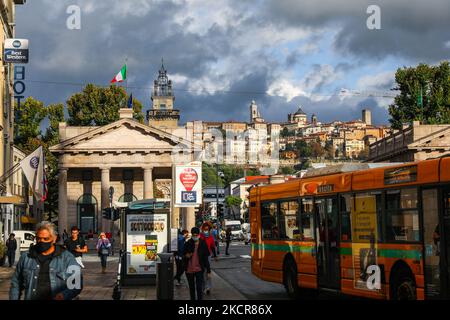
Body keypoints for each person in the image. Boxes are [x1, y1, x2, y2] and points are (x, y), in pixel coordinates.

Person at [10, 221, 82, 300]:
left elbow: (77, 283)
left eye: (46, 239)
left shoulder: (67, 258)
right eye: (39, 238)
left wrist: (64, 295)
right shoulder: (26, 257)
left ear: (54, 239)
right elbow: (16, 283)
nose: (42, 241)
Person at [183, 227, 211, 301]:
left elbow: (206, 259)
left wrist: (208, 271)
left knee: (199, 287)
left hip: (199, 269)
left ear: (199, 235)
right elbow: (183, 255)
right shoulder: (188, 243)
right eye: (194, 235)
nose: (195, 236)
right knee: (191, 288)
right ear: (192, 235)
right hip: (189, 269)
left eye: (196, 235)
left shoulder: (203, 243)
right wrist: (186, 256)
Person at [200, 222, 216, 295]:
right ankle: (202, 287)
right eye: (204, 229)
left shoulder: (210, 237)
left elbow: (212, 247)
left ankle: (208, 288)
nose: (206, 231)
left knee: (208, 272)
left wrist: (215, 255)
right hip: (200, 256)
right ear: (202, 229)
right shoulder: (200, 236)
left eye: (207, 229)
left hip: (208, 256)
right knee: (202, 273)